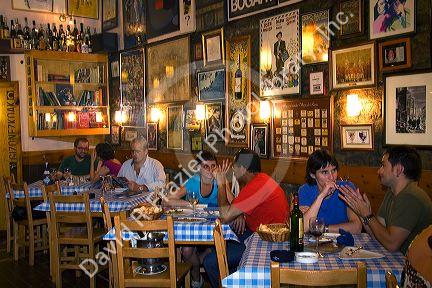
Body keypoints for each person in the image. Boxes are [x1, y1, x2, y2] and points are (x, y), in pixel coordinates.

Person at [203, 148, 289, 287]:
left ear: (242, 169)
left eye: (234, 167)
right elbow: (236, 209)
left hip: (267, 245)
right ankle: (233, 277)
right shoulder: (260, 181)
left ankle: (231, 280)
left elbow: (225, 216)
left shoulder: (256, 186)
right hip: (259, 235)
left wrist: (221, 183)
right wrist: (241, 214)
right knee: (221, 244)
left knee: (210, 262)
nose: (233, 171)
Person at [339, 146, 432, 254]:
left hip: (416, 267)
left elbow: (391, 244)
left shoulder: (411, 197)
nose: (379, 171)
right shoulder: (392, 192)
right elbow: (377, 235)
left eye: (383, 165)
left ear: (398, 170)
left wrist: (367, 215)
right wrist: (361, 213)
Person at [163, 151, 236, 288]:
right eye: (205, 166)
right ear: (198, 169)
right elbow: (167, 201)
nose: (210, 170)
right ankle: (197, 279)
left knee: (211, 250)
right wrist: (190, 205)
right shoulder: (193, 181)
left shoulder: (220, 180)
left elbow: (234, 205)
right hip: (196, 228)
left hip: (217, 230)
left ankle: (215, 271)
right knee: (186, 251)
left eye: (213, 166)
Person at [299, 149, 362, 234]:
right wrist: (322, 196)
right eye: (325, 172)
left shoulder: (346, 188)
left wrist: (322, 228)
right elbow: (303, 228)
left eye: (334, 170)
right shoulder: (305, 190)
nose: (331, 177)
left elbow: (356, 227)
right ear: (312, 174)